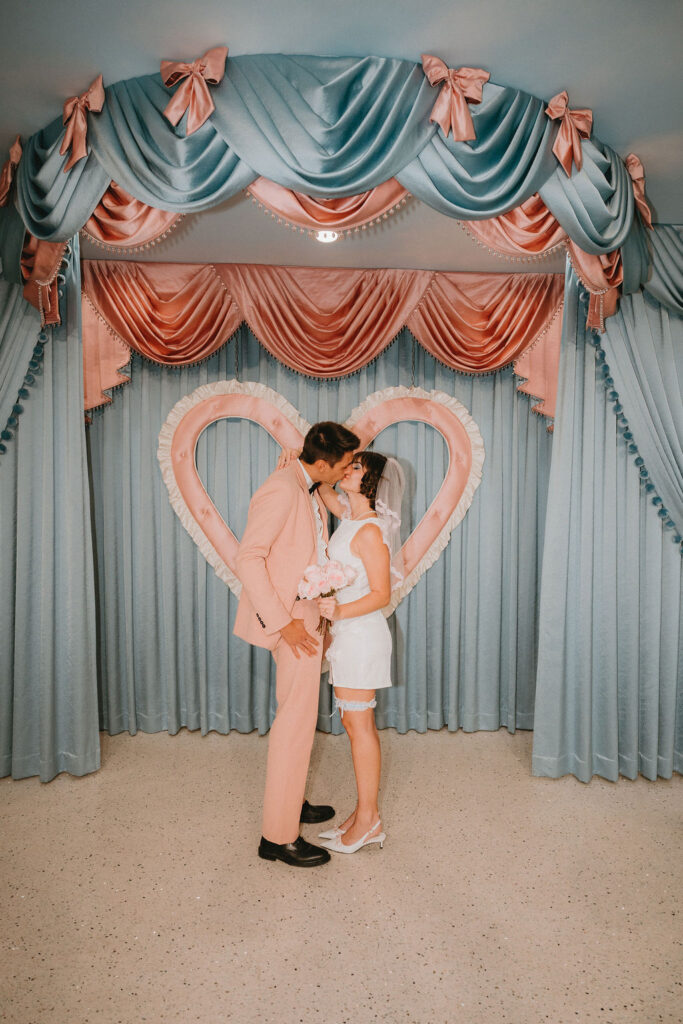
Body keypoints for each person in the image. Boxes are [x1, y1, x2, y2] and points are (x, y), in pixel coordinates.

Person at [234, 421, 360, 868]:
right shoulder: (282, 489)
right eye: (344, 465)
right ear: (322, 464)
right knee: (295, 723)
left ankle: (292, 802)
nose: (348, 471)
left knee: (300, 719)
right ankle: (278, 836)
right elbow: (248, 558)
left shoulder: (302, 478)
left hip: (306, 615)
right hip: (292, 623)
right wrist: (283, 622)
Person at [278, 448, 405, 855]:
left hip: (362, 635)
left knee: (360, 727)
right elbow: (320, 483)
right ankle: (362, 814)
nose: (346, 470)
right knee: (353, 724)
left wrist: (339, 610)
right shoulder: (348, 516)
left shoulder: (369, 530)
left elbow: (382, 594)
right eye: (348, 464)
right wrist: (297, 458)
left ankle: (369, 820)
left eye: (356, 467)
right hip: (348, 636)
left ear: (371, 481)